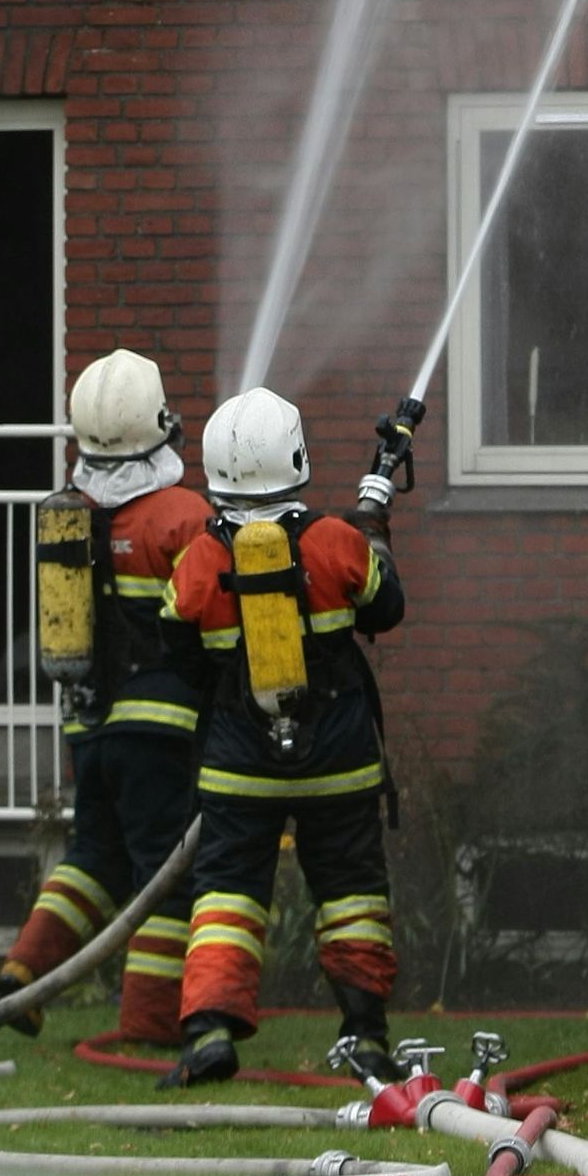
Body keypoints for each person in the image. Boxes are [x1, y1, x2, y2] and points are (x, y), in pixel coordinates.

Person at [156, 386, 405, 1087]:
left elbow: (177, 652)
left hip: (240, 767)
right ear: (295, 456)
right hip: (341, 765)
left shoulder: (200, 563)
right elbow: (388, 606)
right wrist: (373, 532)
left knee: (228, 894)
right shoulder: (335, 542)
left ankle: (208, 1032)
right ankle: (365, 1036)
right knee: (351, 893)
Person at [0, 349, 208, 1044]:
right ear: (158, 422)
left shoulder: (71, 514)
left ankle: (23, 974)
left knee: (93, 856)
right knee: (164, 873)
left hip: (89, 725)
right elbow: (204, 617)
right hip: (162, 730)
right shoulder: (182, 517)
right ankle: (150, 1021)